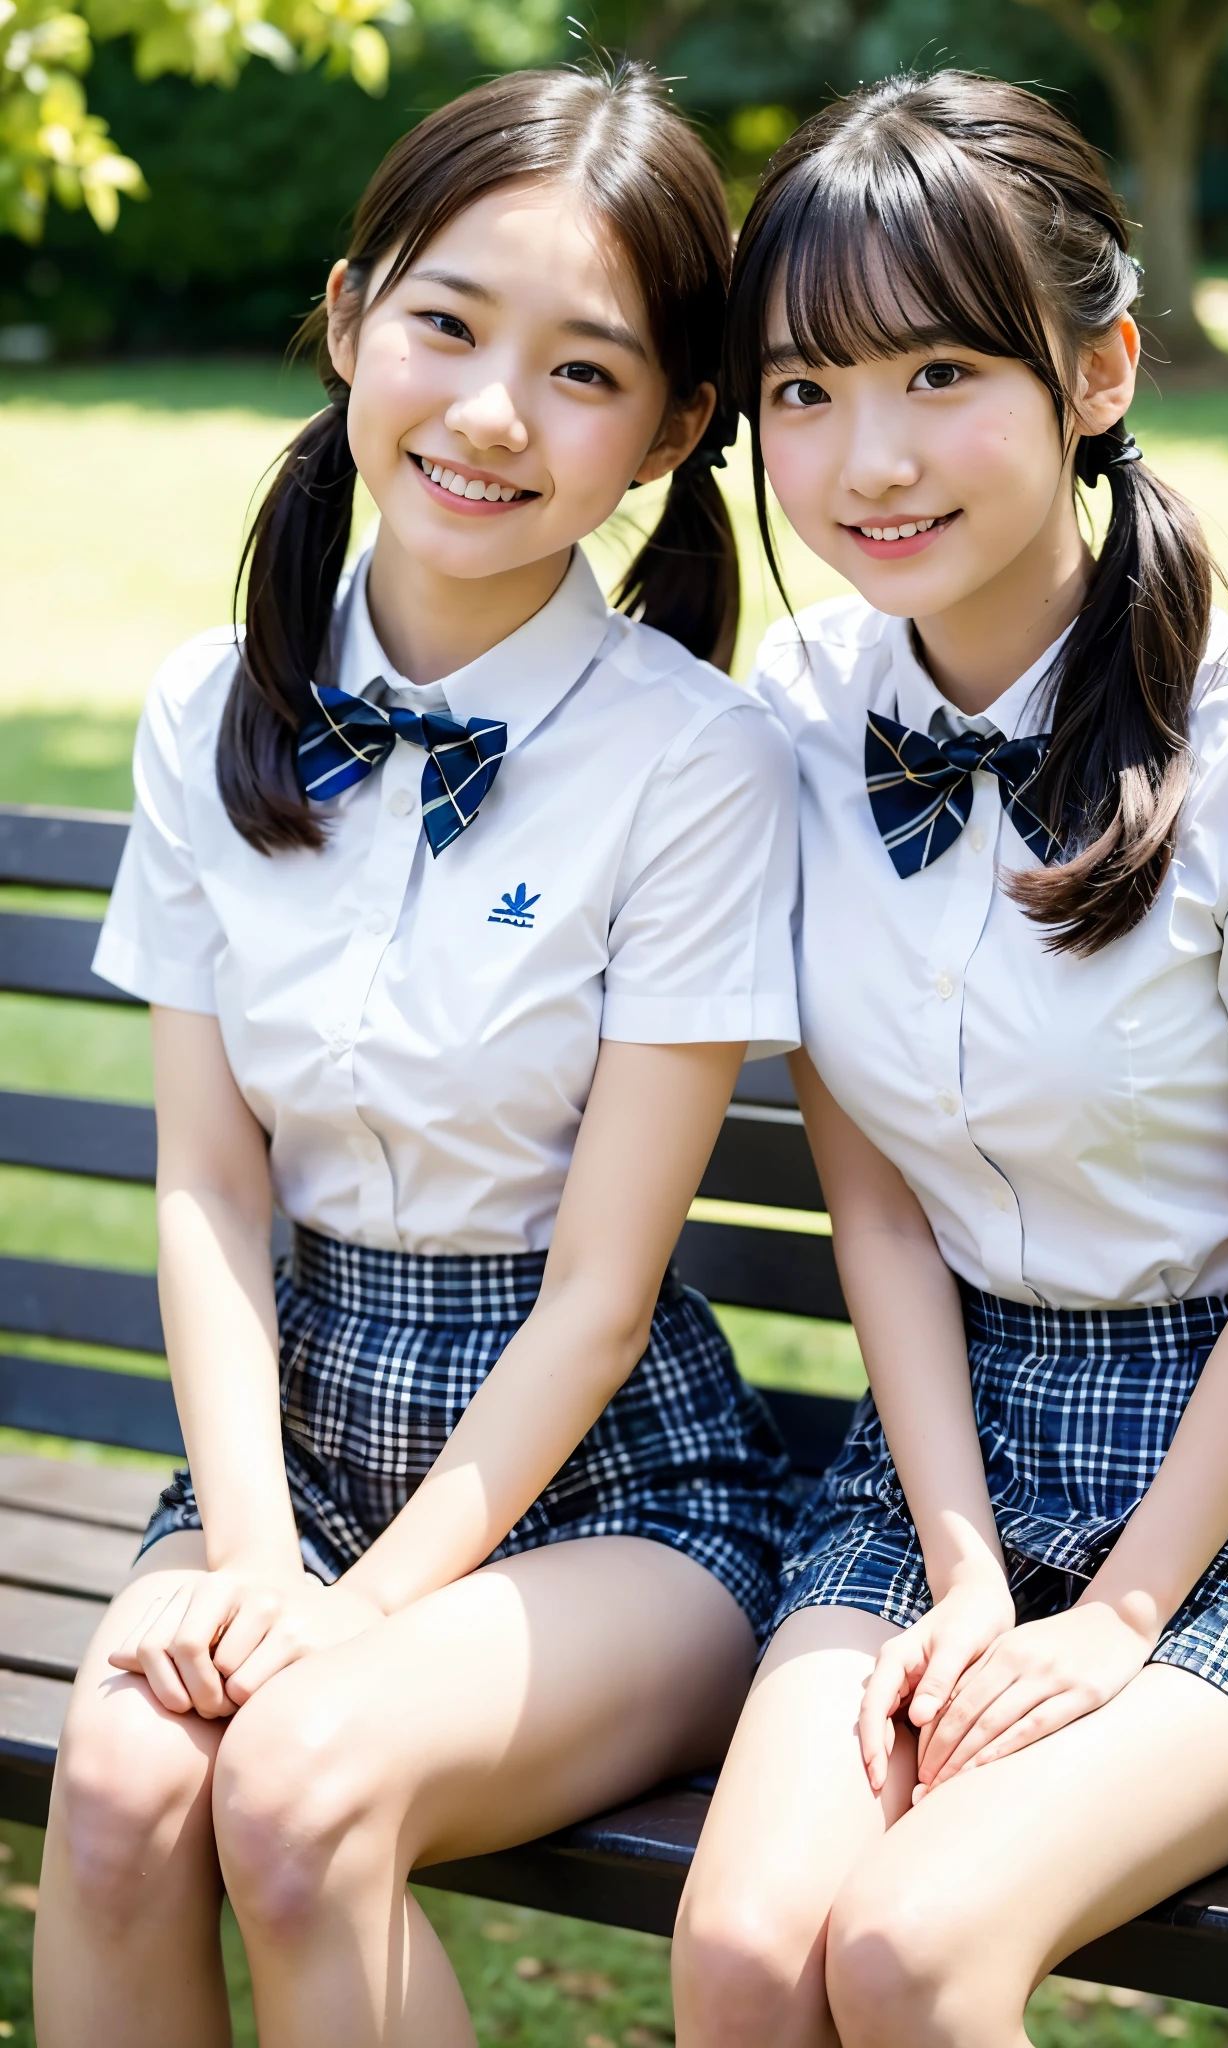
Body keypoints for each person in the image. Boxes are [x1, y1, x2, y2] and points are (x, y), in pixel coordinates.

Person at [34, 62, 801, 2048]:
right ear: (350, 311)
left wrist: (345, 1622)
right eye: (446, 323)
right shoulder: (213, 705)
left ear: (669, 430)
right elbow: (210, 1183)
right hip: (273, 1449)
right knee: (119, 1795)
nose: (484, 412)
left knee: (293, 1791)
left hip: (596, 1483)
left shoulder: (691, 764)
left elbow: (604, 1295)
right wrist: (262, 1555)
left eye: (580, 370)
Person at [673, 70, 1228, 2048]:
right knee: (739, 1955)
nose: (863, 455)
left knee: (905, 1948)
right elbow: (869, 1196)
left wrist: (1121, 1617)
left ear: (1098, 371)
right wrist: (960, 1563)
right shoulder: (791, 720)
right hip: (939, 1444)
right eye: (799, 390)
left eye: (940, 370)